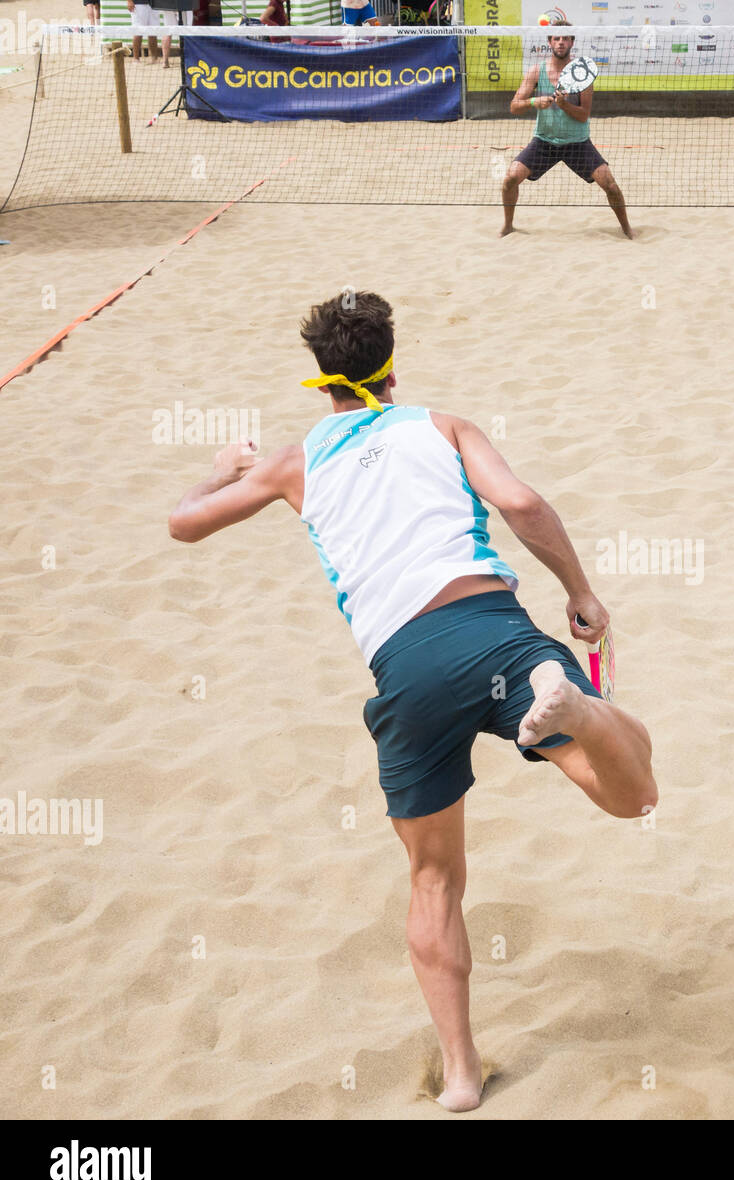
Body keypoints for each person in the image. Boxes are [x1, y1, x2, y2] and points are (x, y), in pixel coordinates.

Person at [167, 292, 658, 1112]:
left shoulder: (293, 463)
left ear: (319, 381)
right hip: (492, 630)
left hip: (406, 670)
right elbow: (524, 505)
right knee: (635, 795)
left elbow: (183, 526)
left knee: (434, 880)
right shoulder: (445, 425)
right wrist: (580, 592)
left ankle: (461, 1075)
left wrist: (220, 470)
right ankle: (573, 707)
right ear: (391, 365)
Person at [501, 20, 633, 238]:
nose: (560, 42)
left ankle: (627, 229)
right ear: (549, 42)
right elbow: (514, 106)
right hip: (544, 142)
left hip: (577, 143)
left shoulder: (582, 74)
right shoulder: (537, 71)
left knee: (609, 185)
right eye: (556, 38)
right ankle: (508, 226)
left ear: (572, 42)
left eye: (565, 38)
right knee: (510, 179)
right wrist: (534, 102)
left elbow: (583, 116)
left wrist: (564, 105)